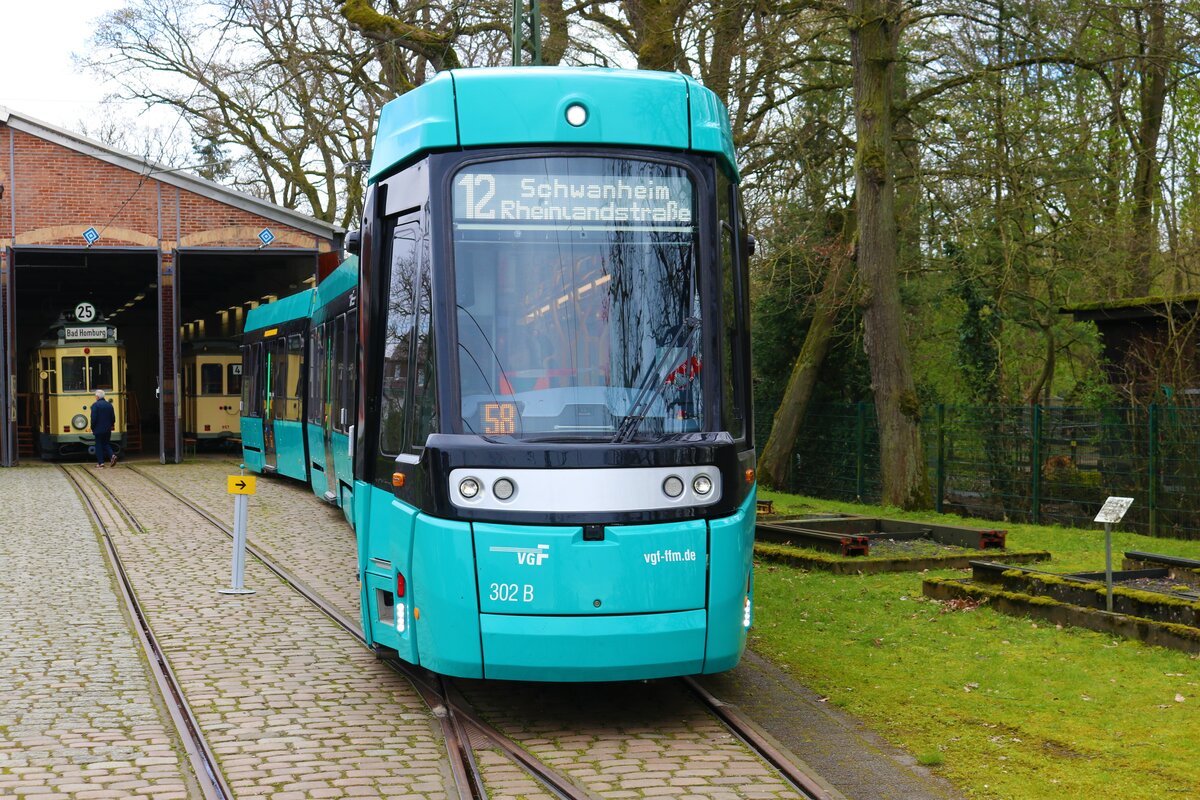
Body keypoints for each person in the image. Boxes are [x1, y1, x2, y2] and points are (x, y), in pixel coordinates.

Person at [90, 389, 117, 468]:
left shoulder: (95, 405)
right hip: (107, 429)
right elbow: (113, 418)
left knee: (98, 444)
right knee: (106, 443)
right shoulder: (109, 405)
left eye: (95, 396)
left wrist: (92, 427)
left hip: (98, 429)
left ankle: (101, 463)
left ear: (97, 397)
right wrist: (111, 425)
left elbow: (93, 418)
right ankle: (112, 455)